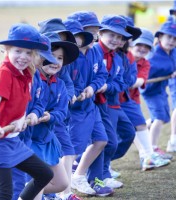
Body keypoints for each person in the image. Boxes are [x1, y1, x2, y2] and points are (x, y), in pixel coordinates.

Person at [0, 23, 54, 200]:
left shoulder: (27, 73)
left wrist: (22, 118)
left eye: (29, 53)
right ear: (6, 49)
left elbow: (22, 103)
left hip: (14, 141)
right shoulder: (4, 72)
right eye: (18, 51)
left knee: (45, 174)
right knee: (4, 194)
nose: (23, 57)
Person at [64, 16, 113, 197]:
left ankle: (79, 175)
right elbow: (65, 82)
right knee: (73, 150)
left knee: (101, 141)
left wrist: (92, 87)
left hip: (90, 107)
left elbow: (102, 73)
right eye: (89, 32)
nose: (93, 36)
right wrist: (77, 92)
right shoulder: (68, 57)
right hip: (74, 112)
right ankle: (64, 186)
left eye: (94, 32)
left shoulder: (93, 52)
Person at [28, 32, 79, 200]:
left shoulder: (60, 84)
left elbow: (62, 111)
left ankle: (19, 195)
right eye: (49, 55)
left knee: (62, 184)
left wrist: (50, 117)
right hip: (29, 140)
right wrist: (33, 115)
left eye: (60, 58)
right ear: (37, 56)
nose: (55, 61)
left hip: (47, 139)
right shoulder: (32, 79)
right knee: (39, 183)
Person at [92, 15, 136, 189]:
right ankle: (100, 174)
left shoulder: (118, 57)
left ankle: (99, 167)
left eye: (120, 37)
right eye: (112, 35)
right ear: (100, 33)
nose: (116, 40)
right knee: (107, 141)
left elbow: (122, 81)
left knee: (128, 134)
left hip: (113, 102)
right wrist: (98, 86)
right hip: (97, 104)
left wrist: (108, 86)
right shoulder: (94, 51)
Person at [124, 28, 171, 170]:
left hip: (132, 98)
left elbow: (139, 81)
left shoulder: (145, 63)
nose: (143, 48)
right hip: (116, 100)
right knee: (122, 132)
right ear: (132, 44)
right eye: (140, 45)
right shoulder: (123, 57)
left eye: (147, 47)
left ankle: (147, 156)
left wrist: (131, 82)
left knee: (139, 125)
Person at [140, 20, 176, 160]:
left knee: (163, 117)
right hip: (150, 89)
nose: (171, 41)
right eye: (169, 37)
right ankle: (152, 149)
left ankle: (139, 130)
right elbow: (143, 71)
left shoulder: (172, 53)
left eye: (175, 38)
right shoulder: (153, 55)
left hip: (161, 88)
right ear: (160, 37)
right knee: (160, 117)